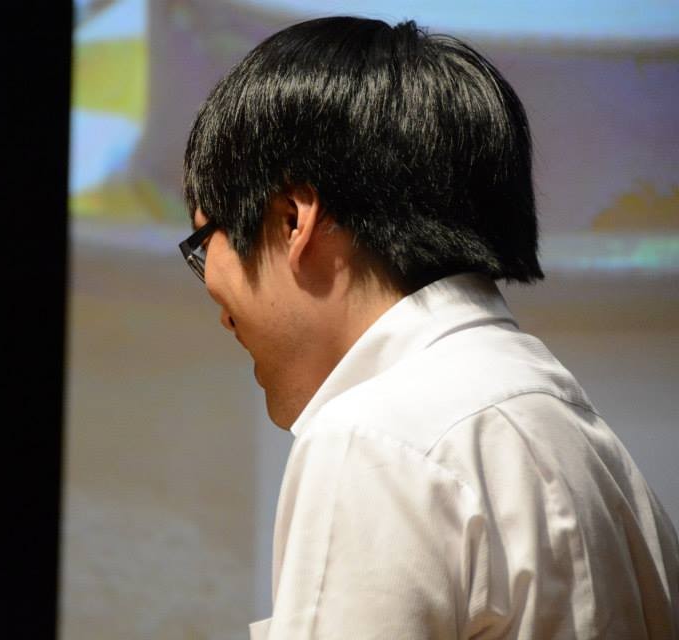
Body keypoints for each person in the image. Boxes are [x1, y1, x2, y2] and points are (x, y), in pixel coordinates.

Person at [178, 16, 678, 639]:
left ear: (291, 221)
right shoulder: (586, 437)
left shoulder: (371, 438)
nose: (218, 305)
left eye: (205, 240)